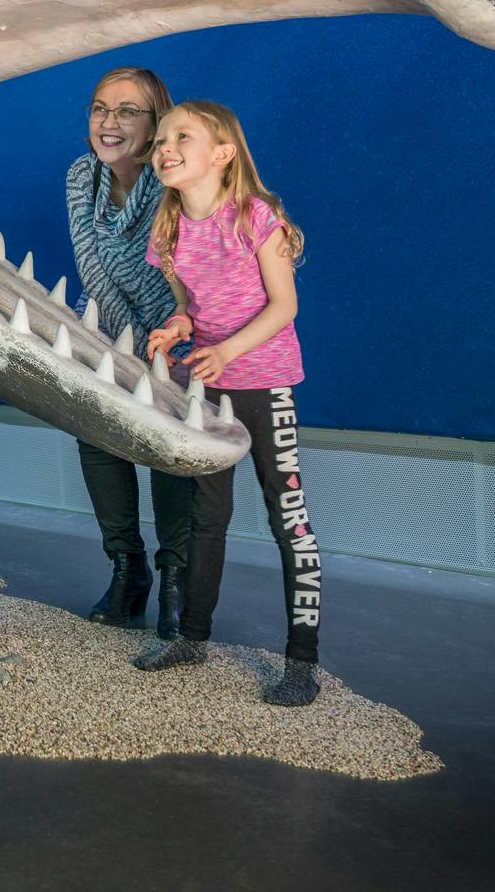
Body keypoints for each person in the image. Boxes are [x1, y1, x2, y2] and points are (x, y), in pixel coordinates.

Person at [132, 101, 321, 707]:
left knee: (286, 516)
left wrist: (229, 352)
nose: (165, 146)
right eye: (160, 137)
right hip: (205, 393)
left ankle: (302, 661)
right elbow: (191, 305)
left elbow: (284, 306)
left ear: (221, 153)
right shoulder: (168, 232)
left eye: (181, 135)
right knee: (206, 518)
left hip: (264, 387)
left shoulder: (255, 218)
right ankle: (192, 637)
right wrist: (176, 327)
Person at [65, 67, 193, 635]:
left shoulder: (176, 183)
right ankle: (126, 567)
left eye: (127, 111)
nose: (109, 122)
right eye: (100, 108)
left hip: (185, 337)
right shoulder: (80, 175)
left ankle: (175, 576)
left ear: (156, 122)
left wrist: (158, 360)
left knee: (169, 444)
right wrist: (127, 355)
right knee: (94, 426)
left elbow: (185, 281)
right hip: (119, 335)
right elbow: (92, 269)